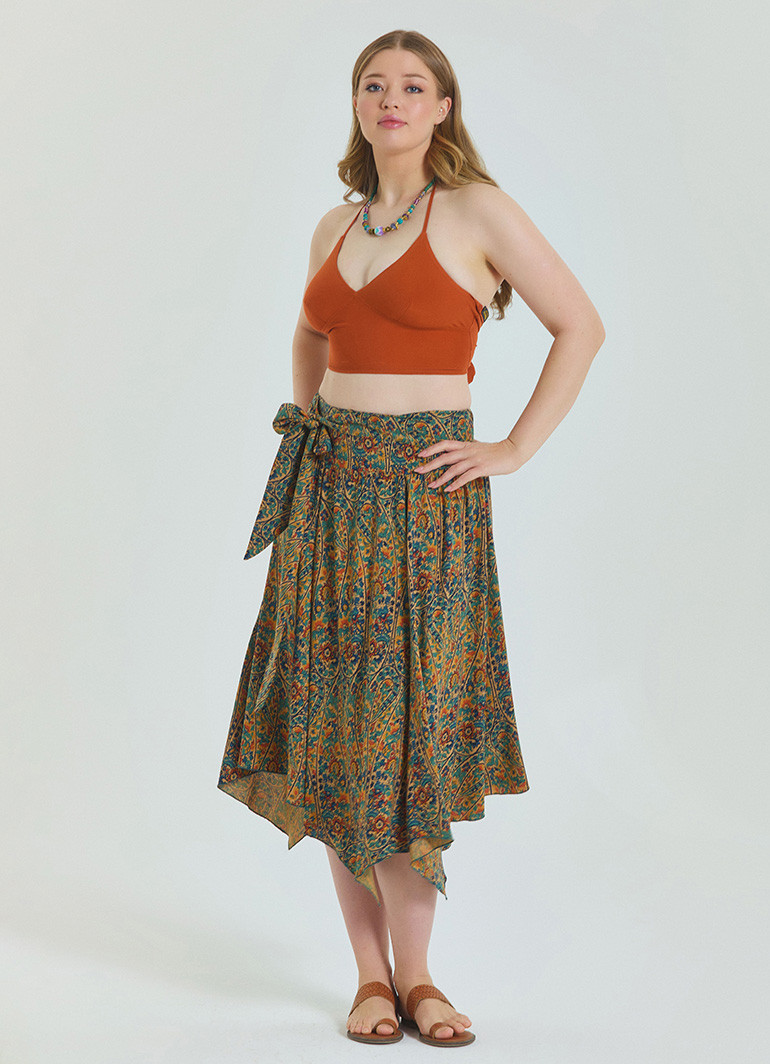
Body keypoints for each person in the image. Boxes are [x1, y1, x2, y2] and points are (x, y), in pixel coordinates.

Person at [218, 28, 605, 1048]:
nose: (390, 98)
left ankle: (421, 975)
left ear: (442, 106)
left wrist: (509, 448)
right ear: (357, 104)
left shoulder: (475, 209)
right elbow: (311, 334)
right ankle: (370, 980)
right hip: (328, 501)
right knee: (341, 736)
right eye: (373, 84)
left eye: (412, 85)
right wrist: (313, 434)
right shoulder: (334, 225)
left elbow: (581, 326)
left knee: (410, 741)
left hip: (429, 502)